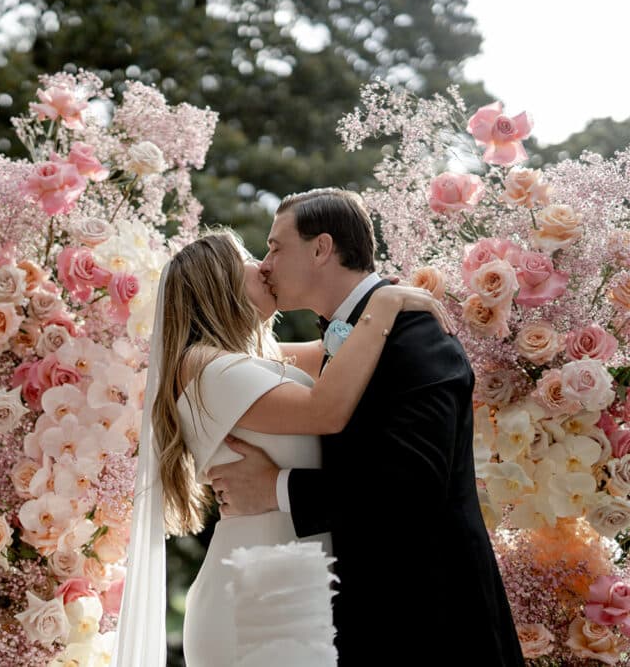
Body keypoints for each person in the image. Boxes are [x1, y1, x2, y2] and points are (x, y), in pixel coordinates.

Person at [208, 189, 524, 666]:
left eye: (276, 247)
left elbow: (413, 486)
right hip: (373, 620)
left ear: (321, 249)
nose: (266, 263)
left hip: (435, 621)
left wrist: (275, 488)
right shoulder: (356, 333)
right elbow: (243, 359)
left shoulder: (416, 336)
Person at [114, 229, 454, 666]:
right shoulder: (202, 366)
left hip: (291, 581)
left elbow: (336, 352)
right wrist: (385, 303)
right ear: (219, 282)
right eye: (251, 259)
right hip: (255, 592)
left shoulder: (250, 360)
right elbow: (324, 410)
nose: (265, 267)